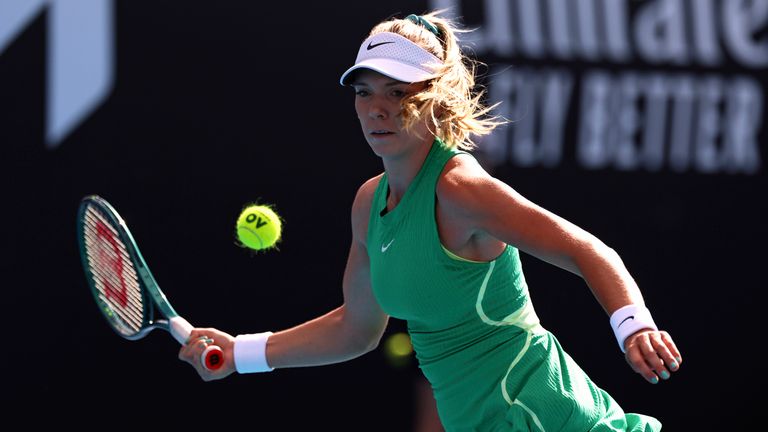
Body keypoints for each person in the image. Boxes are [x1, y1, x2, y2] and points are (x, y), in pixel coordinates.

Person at [179, 10, 682, 431]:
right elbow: (357, 328)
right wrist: (241, 352)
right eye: (364, 91)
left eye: (398, 93)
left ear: (435, 95)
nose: (378, 109)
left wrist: (634, 327)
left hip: (542, 414)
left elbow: (587, 249)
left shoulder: (460, 189)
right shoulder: (368, 204)